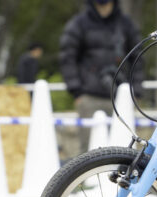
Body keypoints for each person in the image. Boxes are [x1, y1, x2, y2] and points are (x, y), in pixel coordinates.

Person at [59, 0, 144, 158]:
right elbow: (67, 58)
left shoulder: (125, 24)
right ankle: (85, 183)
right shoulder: (79, 23)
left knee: (125, 149)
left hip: (121, 97)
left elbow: (137, 58)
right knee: (87, 153)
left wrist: (136, 92)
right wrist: (77, 91)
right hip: (89, 96)